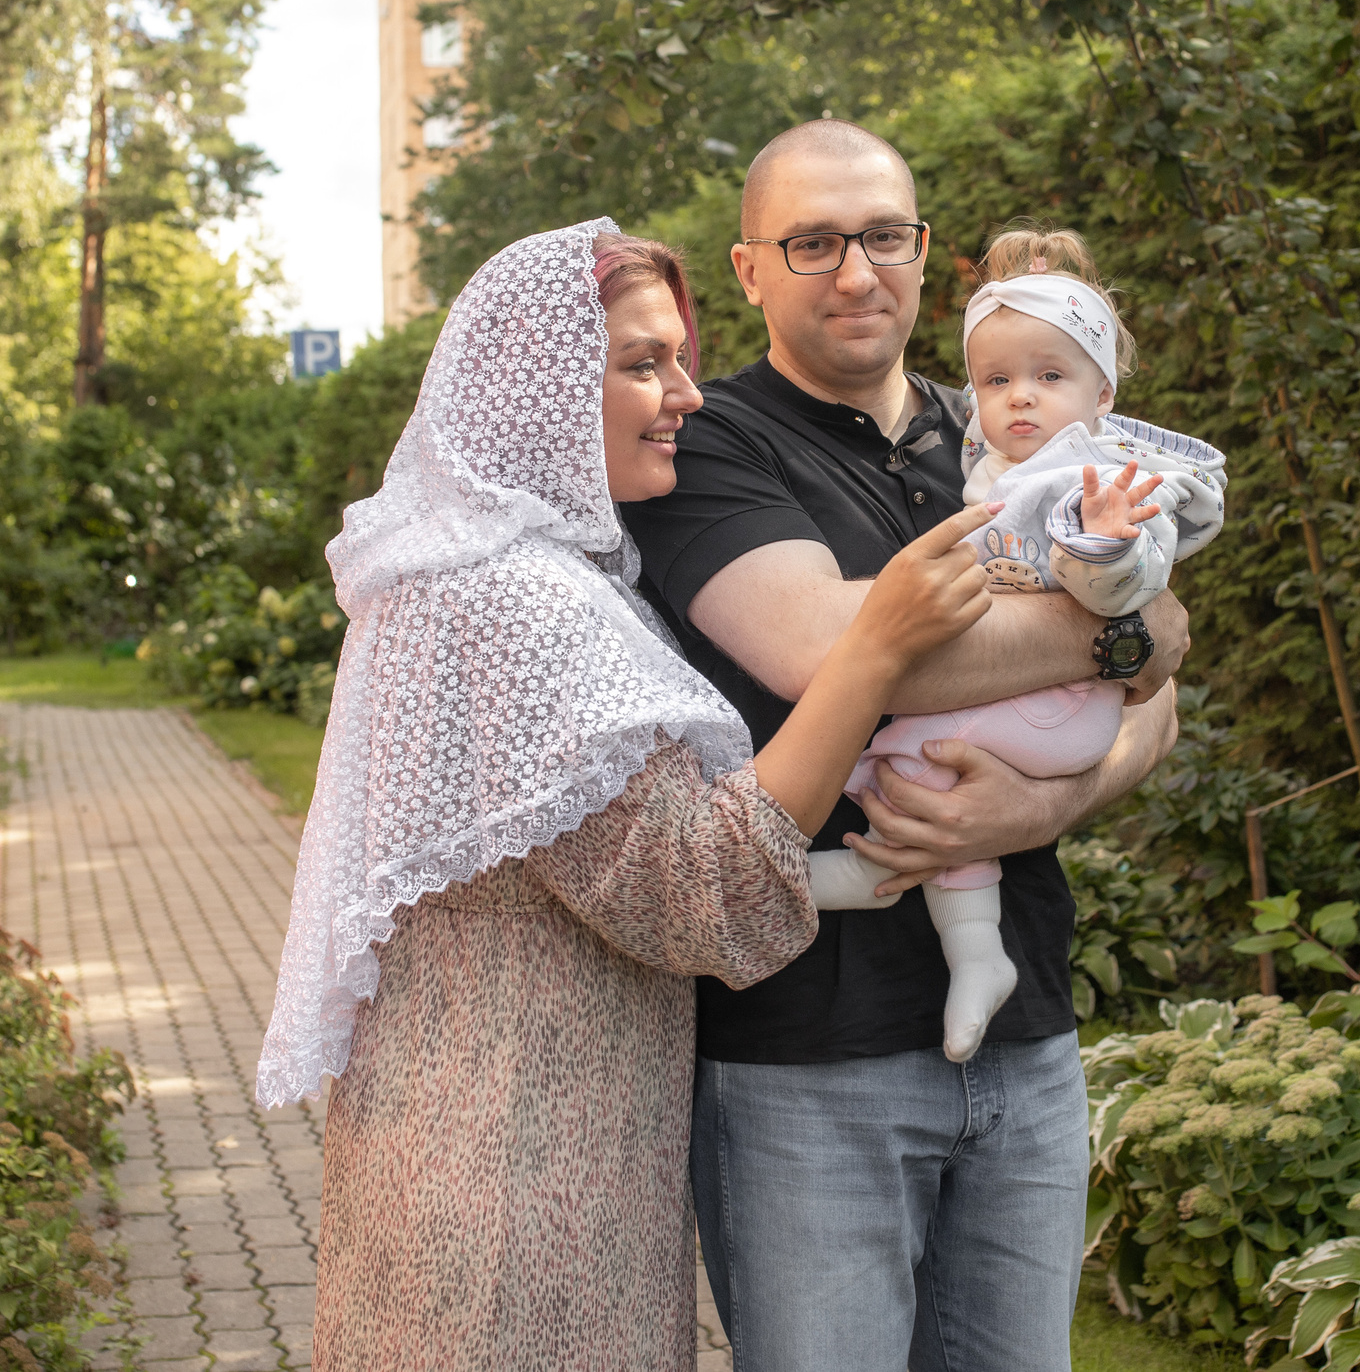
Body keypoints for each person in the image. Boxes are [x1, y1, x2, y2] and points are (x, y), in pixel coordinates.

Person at [256, 219, 998, 1372]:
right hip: (523, 1193)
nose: (686, 395)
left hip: (470, 1149)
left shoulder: (465, 567)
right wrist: (871, 652)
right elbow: (696, 893)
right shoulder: (512, 602)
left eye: (684, 358)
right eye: (642, 364)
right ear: (539, 389)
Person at [622, 124, 1191, 1372]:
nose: (856, 272)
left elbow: (1164, 674)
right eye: (812, 242)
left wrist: (1045, 805)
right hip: (805, 1060)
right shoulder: (707, 443)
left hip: (1027, 1035)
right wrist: (1115, 633)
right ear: (748, 269)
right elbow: (826, 647)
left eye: (884, 236)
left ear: (924, 250)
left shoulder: (1000, 424)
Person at [803, 226, 1228, 1062]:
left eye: (1048, 377)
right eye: (996, 380)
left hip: (1062, 713)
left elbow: (1141, 614)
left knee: (905, 749)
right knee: (918, 761)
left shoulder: (1093, 477)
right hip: (1037, 705)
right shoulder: (998, 465)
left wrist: (1104, 544)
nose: (1020, 398)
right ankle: (977, 957)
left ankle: (880, 870)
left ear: (1102, 392)